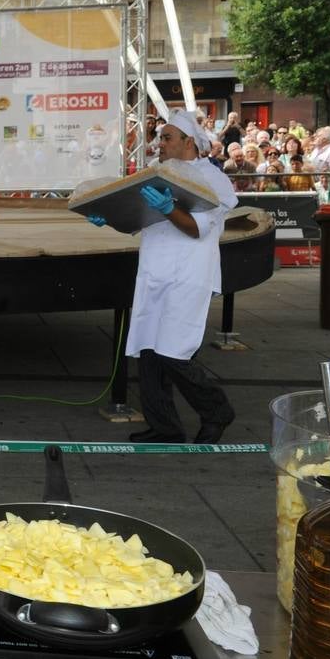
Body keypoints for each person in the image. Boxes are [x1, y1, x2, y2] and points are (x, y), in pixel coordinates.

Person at [87, 109, 237, 444]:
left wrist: (170, 209)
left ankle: (216, 411)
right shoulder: (156, 175)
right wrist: (108, 216)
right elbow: (134, 220)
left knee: (174, 351)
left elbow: (198, 229)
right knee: (150, 353)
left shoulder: (212, 179)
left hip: (188, 276)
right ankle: (165, 428)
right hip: (154, 274)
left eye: (167, 138)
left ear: (189, 143)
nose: (160, 144)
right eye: (159, 138)